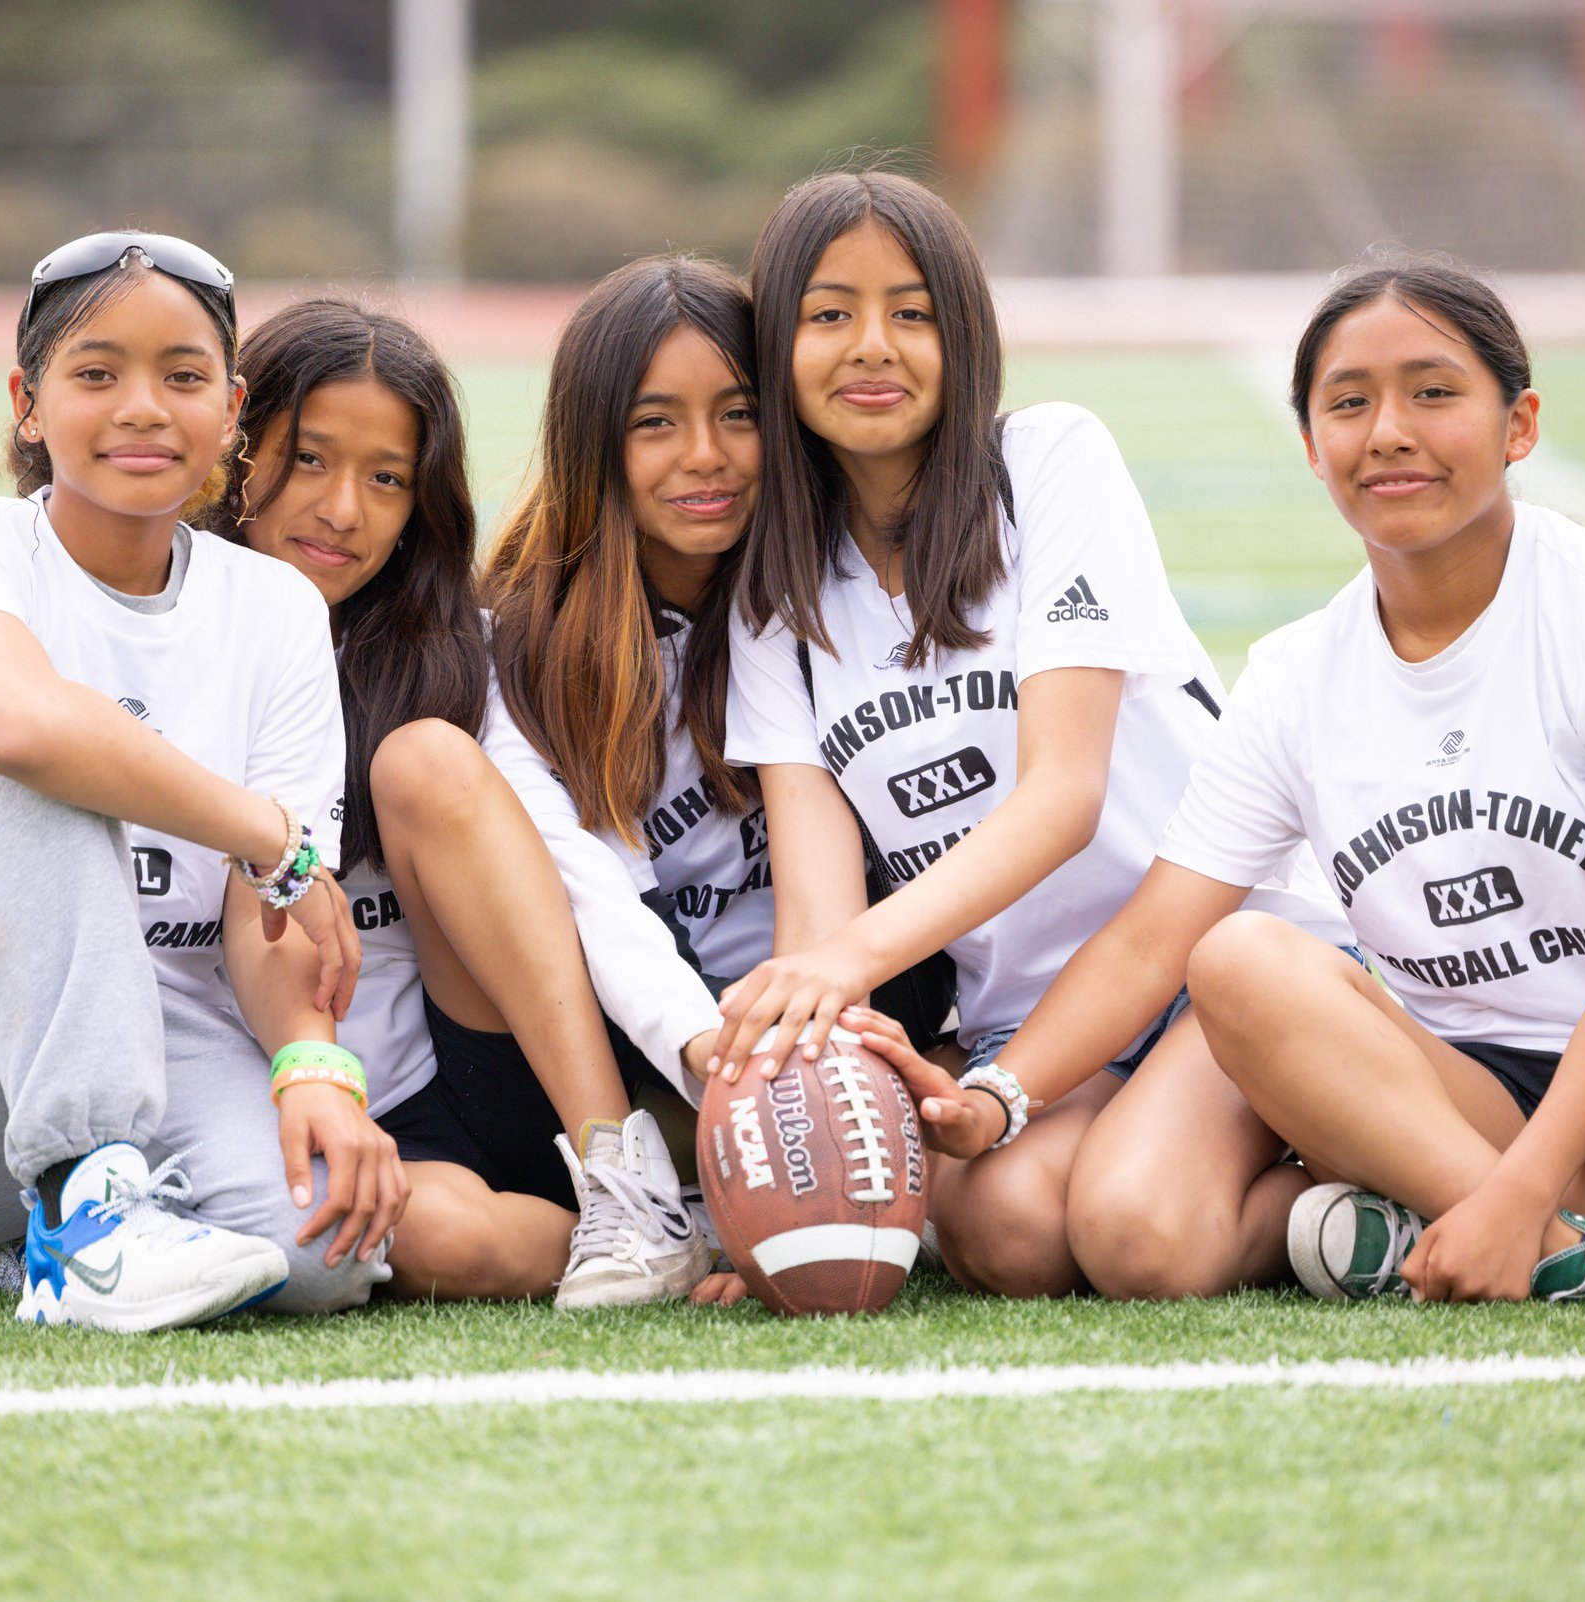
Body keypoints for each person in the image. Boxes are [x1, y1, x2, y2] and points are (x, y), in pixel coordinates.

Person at [1103, 256, 1585, 1305]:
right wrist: (1000, 1092)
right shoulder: (1296, 675)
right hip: (1469, 1100)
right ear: (1309, 443)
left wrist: (1513, 1203)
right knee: (1239, 960)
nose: (1388, 431)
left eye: (1432, 393)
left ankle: (1504, 1237)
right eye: (1349, 403)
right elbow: (1152, 939)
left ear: (1517, 425)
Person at [716, 170, 1347, 1299]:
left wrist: (840, 964)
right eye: (828, 314)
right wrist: (777, 1191)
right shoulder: (777, 597)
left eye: (911, 313)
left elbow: (1065, 795)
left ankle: (1367, 1191)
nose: (872, 346)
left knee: (1139, 1238)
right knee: (1004, 1233)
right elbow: (823, 916)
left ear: (965, 338)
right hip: (1039, 1020)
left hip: (1218, 963)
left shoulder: (1046, 462)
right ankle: (1319, 1192)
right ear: (776, 349)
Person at [0, 230, 393, 1332]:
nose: (143, 407)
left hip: (166, 1034)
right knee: (40, 762)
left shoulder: (274, 610)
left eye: (182, 376)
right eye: (96, 373)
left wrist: (313, 1066)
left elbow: (268, 922)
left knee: (321, 1259)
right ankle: (90, 1226)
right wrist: (266, 832)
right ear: (28, 401)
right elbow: (16, 725)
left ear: (232, 410)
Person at [202, 292, 721, 1306]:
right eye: (308, 458)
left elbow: (574, 864)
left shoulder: (459, 653)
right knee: (426, 1242)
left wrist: (693, 1048)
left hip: (480, 1069)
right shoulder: (170, 641)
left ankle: (626, 1176)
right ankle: (697, 1226)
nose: (344, 509)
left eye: (386, 479)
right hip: (316, 1096)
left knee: (423, 761)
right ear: (235, 444)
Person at [483, 254, 784, 1304]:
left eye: (737, 414)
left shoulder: (821, 595)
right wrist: (730, 1079)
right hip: (667, 1044)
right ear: (593, 442)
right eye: (655, 423)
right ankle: (653, 1195)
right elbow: (589, 899)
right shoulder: (516, 645)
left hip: (816, 1023)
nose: (705, 458)